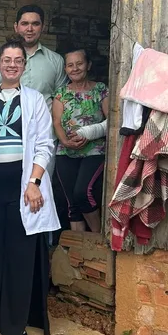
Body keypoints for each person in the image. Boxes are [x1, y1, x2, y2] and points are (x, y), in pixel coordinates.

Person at [0, 40, 60, 335]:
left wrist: (34, 182)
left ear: (24, 66)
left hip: (21, 185)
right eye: (7, 60)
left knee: (19, 254)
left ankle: (15, 321)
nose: (12, 65)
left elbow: (45, 144)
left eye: (18, 60)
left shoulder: (34, 101)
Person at [51, 48, 109, 233]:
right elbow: (57, 122)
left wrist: (90, 132)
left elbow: (111, 121)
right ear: (65, 69)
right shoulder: (61, 94)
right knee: (71, 204)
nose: (75, 68)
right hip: (66, 152)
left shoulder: (101, 90)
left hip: (94, 151)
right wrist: (65, 142)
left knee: (83, 193)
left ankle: (97, 238)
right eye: (70, 65)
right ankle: (78, 255)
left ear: (88, 65)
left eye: (79, 63)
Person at [0, 4, 68, 101]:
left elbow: (62, 99)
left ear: (43, 27)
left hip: (42, 115)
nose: (29, 29)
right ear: (16, 27)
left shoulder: (56, 60)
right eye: (24, 24)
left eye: (35, 24)